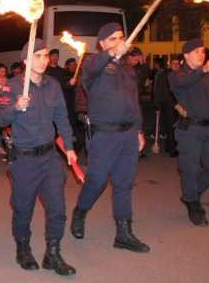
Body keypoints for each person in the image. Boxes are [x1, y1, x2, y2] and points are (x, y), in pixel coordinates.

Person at [0, 39, 77, 276]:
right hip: (24, 159)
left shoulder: (53, 85)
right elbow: (1, 119)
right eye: (37, 56)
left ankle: (53, 253)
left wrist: (70, 147)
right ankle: (23, 248)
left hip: (50, 157)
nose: (42, 61)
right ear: (26, 60)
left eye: (45, 56)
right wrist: (16, 107)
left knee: (58, 208)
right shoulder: (12, 87)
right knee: (23, 208)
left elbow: (62, 118)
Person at [70, 22, 149, 253]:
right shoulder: (92, 65)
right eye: (112, 39)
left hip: (128, 135)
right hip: (104, 135)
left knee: (124, 183)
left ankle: (123, 234)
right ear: (102, 44)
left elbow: (133, 103)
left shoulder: (128, 69)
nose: (119, 42)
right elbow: (93, 67)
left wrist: (139, 130)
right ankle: (80, 212)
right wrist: (113, 52)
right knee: (97, 182)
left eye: (121, 37)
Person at [169, 38, 209, 226]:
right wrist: (203, 70)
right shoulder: (177, 75)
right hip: (189, 129)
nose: (202, 54)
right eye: (197, 51)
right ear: (186, 55)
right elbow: (185, 82)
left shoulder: (207, 76)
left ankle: (191, 194)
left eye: (203, 51)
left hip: (208, 127)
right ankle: (193, 203)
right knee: (189, 169)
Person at [153, 56, 180, 157]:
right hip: (168, 104)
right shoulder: (165, 75)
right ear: (170, 64)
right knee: (170, 126)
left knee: (172, 127)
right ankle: (171, 149)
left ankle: (169, 146)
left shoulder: (178, 74)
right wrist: (157, 105)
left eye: (177, 64)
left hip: (175, 104)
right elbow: (158, 90)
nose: (176, 66)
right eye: (174, 64)